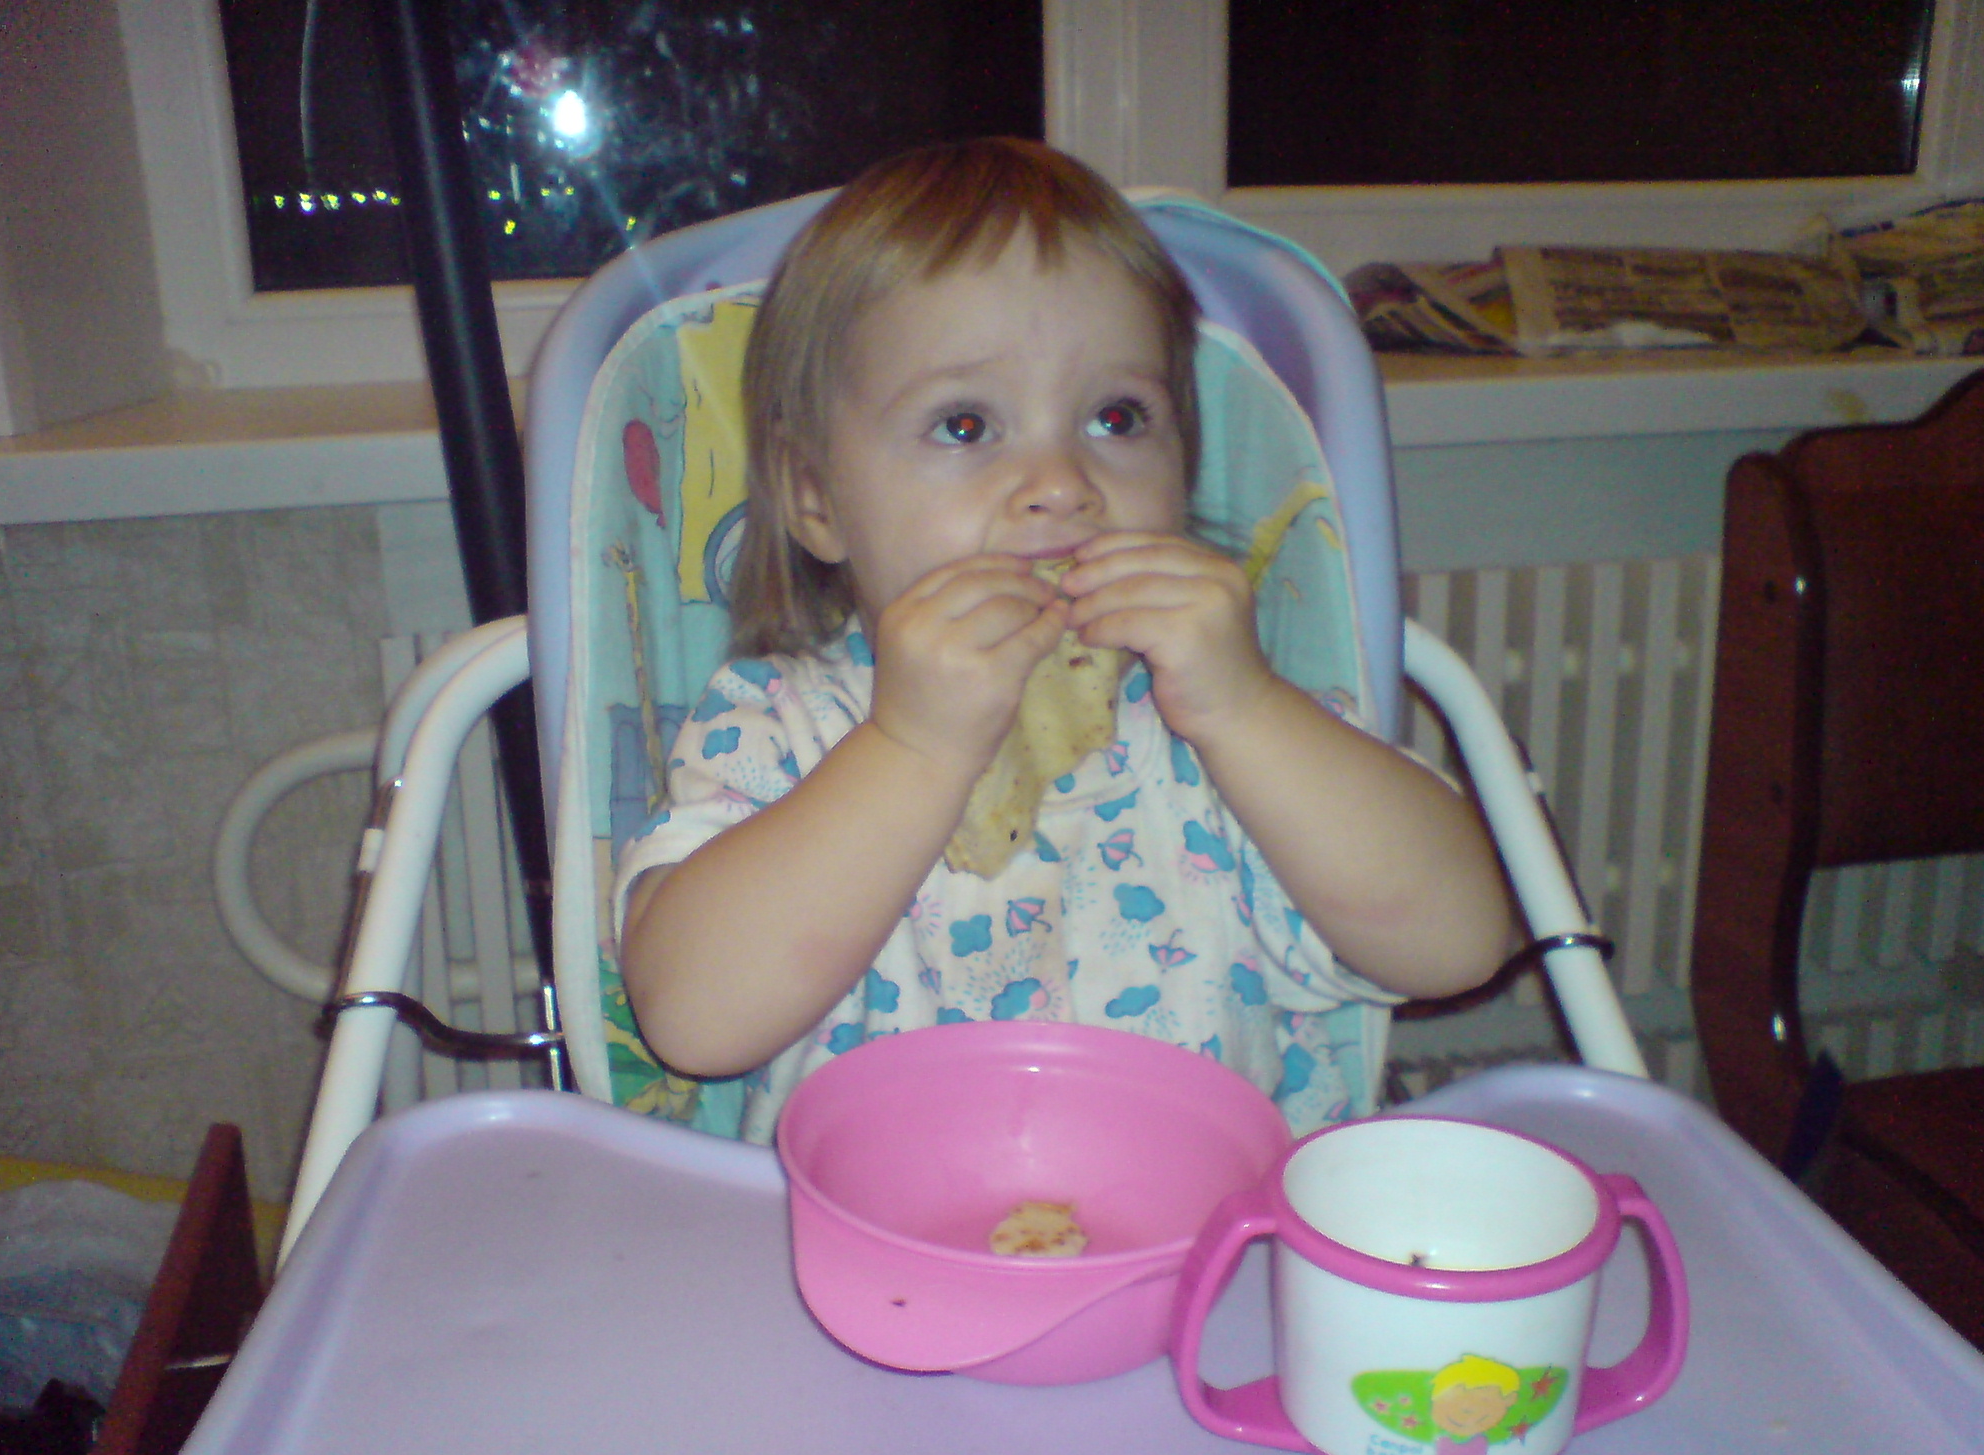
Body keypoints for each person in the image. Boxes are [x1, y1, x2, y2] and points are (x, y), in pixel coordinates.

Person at [615, 137, 1513, 1143]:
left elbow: (1459, 945)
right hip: (882, 1237)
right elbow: (692, 1021)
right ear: (815, 498)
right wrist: (913, 745)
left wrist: (1244, 707)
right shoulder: (775, 728)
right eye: (965, 426)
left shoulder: (1226, 727)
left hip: (1212, 1232)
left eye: (1116, 418)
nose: (1061, 484)